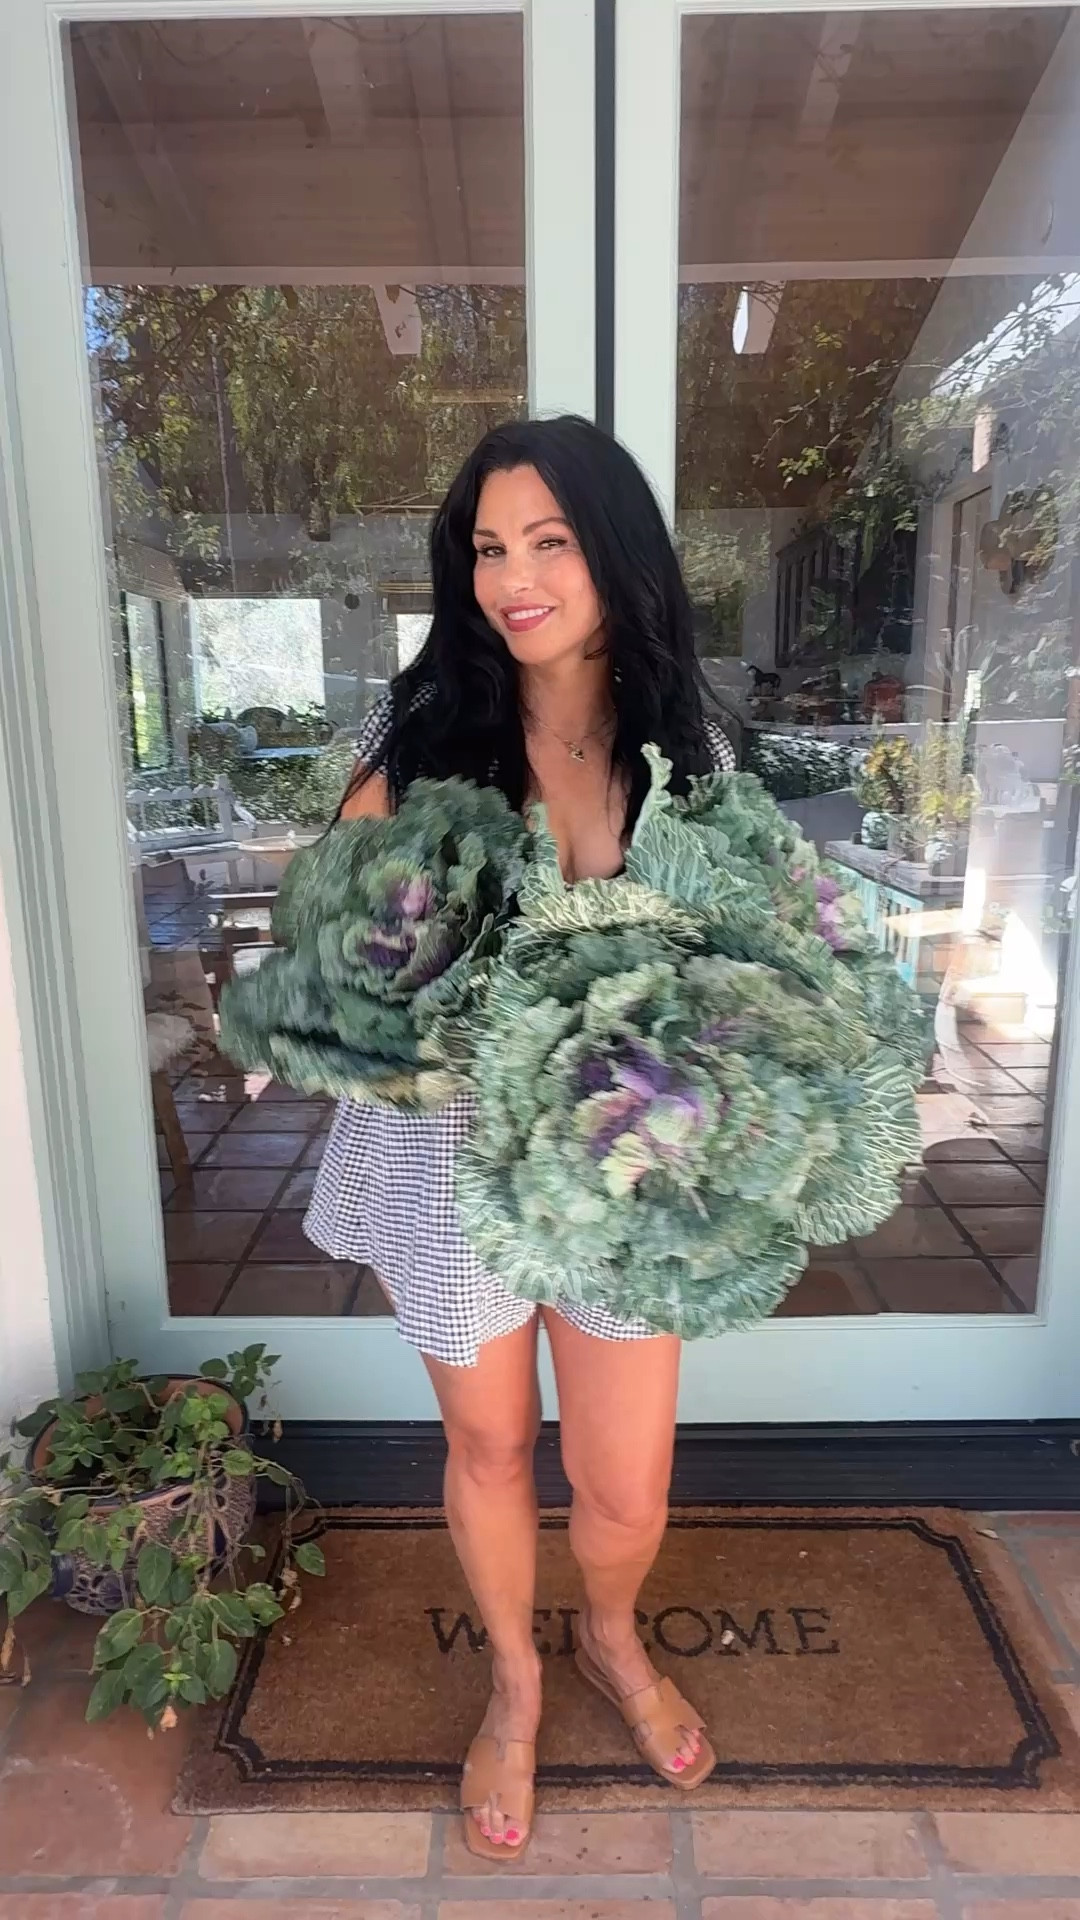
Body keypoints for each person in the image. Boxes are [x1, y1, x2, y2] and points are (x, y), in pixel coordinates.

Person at [305, 416, 735, 1862]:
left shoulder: (687, 749)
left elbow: (742, 970)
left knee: (624, 1484)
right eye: (490, 548)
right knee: (489, 1445)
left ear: (616, 552)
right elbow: (343, 962)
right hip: (451, 1155)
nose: (514, 579)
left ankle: (609, 1631)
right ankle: (515, 1680)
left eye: (549, 541)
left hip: (622, 1161)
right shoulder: (422, 743)